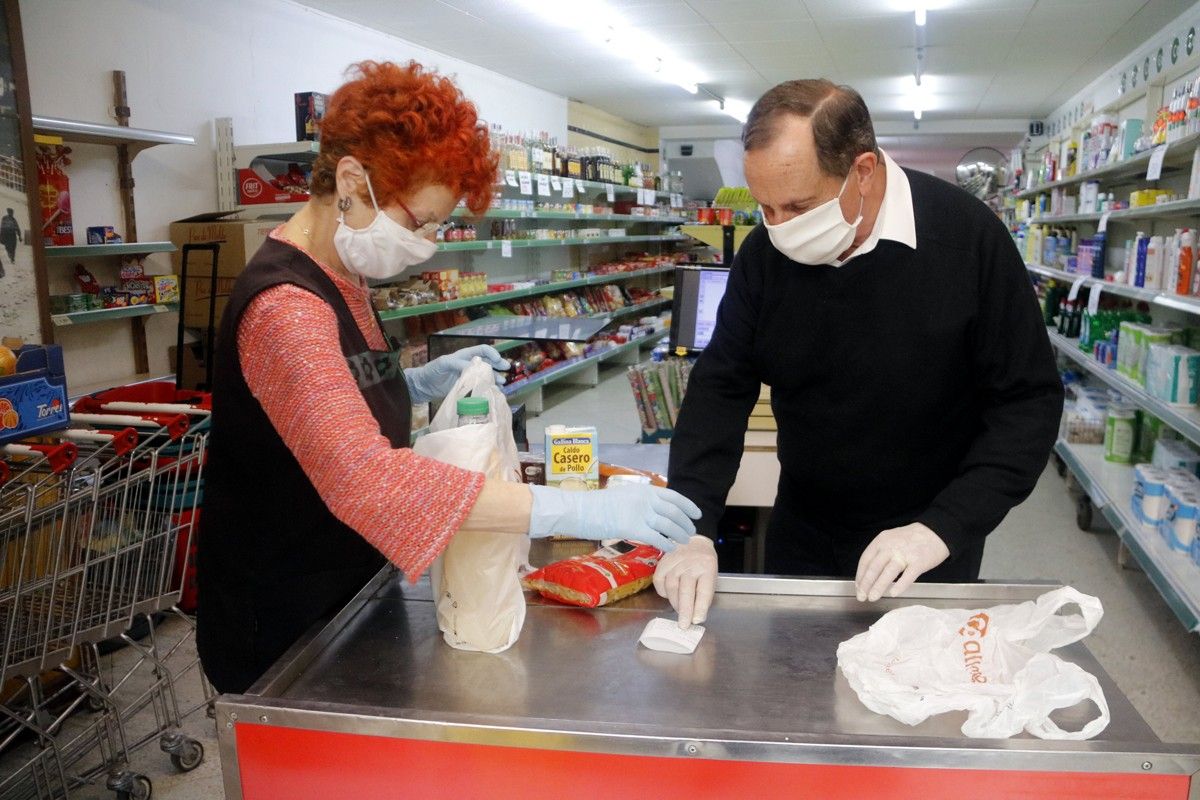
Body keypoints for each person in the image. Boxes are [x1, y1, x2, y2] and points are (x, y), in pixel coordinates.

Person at [197, 61, 702, 693]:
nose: (430, 243)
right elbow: (368, 483)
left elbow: (325, 396)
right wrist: (575, 507)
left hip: (344, 589)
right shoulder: (286, 307)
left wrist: (411, 384)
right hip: (283, 619)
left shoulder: (343, 276)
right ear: (352, 180)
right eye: (420, 221)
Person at [662, 79, 1063, 620]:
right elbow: (721, 387)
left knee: (915, 692)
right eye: (766, 208)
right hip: (804, 524)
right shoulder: (764, 256)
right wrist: (693, 526)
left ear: (863, 171)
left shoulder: (968, 241)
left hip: (927, 540)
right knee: (797, 684)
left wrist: (942, 528)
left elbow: (1027, 402)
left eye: (798, 206)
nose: (779, 229)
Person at [0, 207, 19, 273]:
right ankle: (10, 255)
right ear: (8, 212)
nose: (11, 213)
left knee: (13, 247)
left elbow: (17, 227)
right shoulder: (4, 218)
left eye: (12, 212)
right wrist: (1, 236)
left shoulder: (14, 219)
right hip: (6, 236)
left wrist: (19, 236)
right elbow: (2, 227)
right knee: (8, 247)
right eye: (10, 212)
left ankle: (12, 258)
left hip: (12, 235)